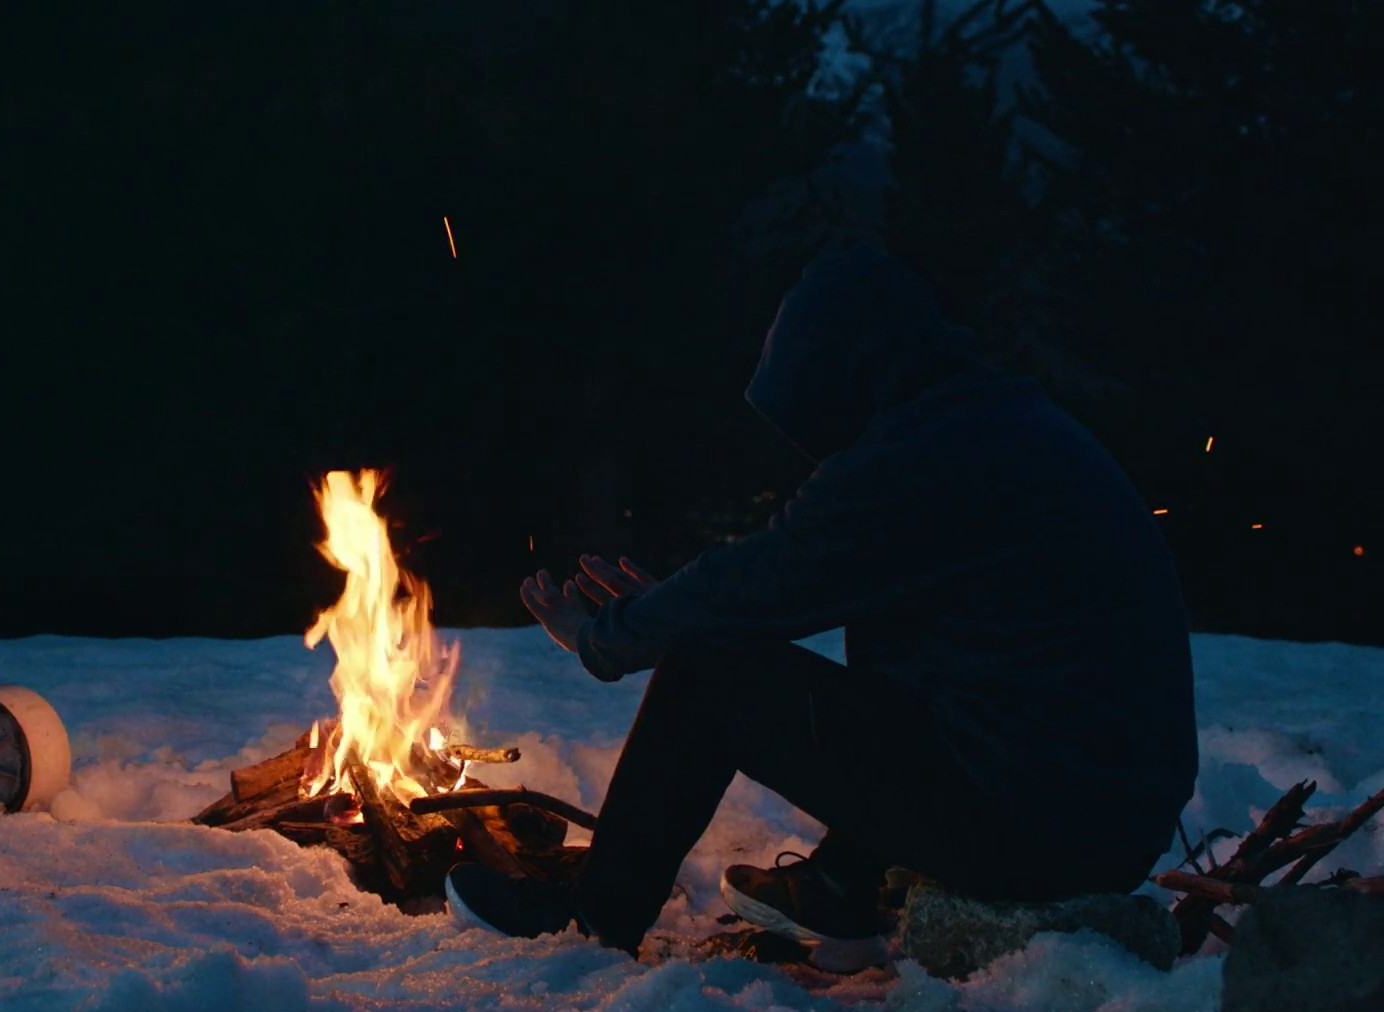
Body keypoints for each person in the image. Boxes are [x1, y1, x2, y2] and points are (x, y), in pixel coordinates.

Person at [444, 245, 1199, 959]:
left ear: (851, 370)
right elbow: (783, 586)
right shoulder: (988, 423)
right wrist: (685, 608)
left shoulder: (922, 458)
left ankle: (593, 917)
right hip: (1098, 813)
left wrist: (605, 637)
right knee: (904, 643)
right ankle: (842, 881)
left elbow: (762, 578)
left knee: (709, 677)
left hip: (1044, 820)